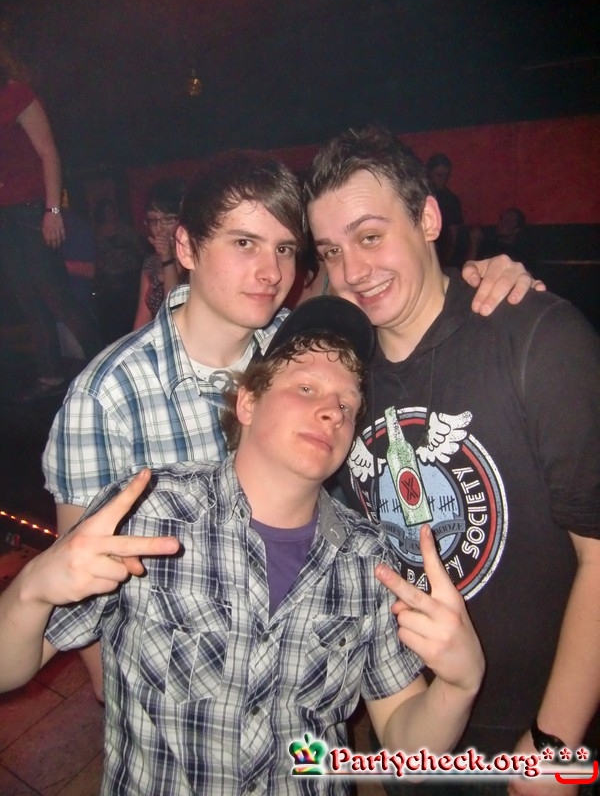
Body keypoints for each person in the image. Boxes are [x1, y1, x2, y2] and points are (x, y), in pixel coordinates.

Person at [42, 148, 540, 700]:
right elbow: (77, 595)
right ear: (185, 247)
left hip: (307, 684)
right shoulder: (106, 397)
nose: (272, 272)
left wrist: (480, 278)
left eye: (284, 248)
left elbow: (410, 311)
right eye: (244, 243)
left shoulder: (313, 347)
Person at [0, 297, 485, 795]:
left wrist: (459, 686)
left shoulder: (368, 560)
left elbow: (404, 741)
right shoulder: (149, 513)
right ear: (248, 402)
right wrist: (31, 590)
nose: (332, 412)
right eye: (306, 388)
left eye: (348, 404)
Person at [304, 126, 600, 796]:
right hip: (412, 726)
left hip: (535, 729)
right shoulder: (340, 380)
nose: (353, 271)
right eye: (332, 251)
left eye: (370, 235)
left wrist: (553, 742)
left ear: (429, 219)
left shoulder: (538, 337)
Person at [0, 44, 102, 401]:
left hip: (31, 208)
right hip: (4, 213)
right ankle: (50, 374)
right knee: (26, 297)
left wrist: (52, 210)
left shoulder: (17, 94)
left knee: (54, 294)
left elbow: (48, 153)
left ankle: (103, 370)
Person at [132, 177, 188, 329]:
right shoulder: (151, 263)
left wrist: (167, 260)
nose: (159, 229)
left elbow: (174, 313)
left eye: (168, 219)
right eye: (153, 220)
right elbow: (142, 320)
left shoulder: (197, 259)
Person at [93, 197, 145, 342]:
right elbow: (95, 256)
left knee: (131, 311)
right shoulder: (97, 233)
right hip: (110, 279)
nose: (110, 214)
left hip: (129, 275)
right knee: (114, 314)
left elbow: (140, 249)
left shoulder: (124, 229)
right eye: (107, 211)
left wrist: (126, 251)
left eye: (112, 210)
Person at [469, 207, 538, 278]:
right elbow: (469, 269)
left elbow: (528, 275)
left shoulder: (522, 251)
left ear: (517, 229)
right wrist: (474, 242)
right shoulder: (489, 244)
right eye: (502, 219)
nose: (502, 224)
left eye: (508, 222)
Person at [426, 152, 464, 268]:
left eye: (445, 176)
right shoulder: (418, 194)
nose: (443, 180)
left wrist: (446, 261)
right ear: (428, 173)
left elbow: (453, 235)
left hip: (440, 250)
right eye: (439, 175)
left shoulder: (450, 200)